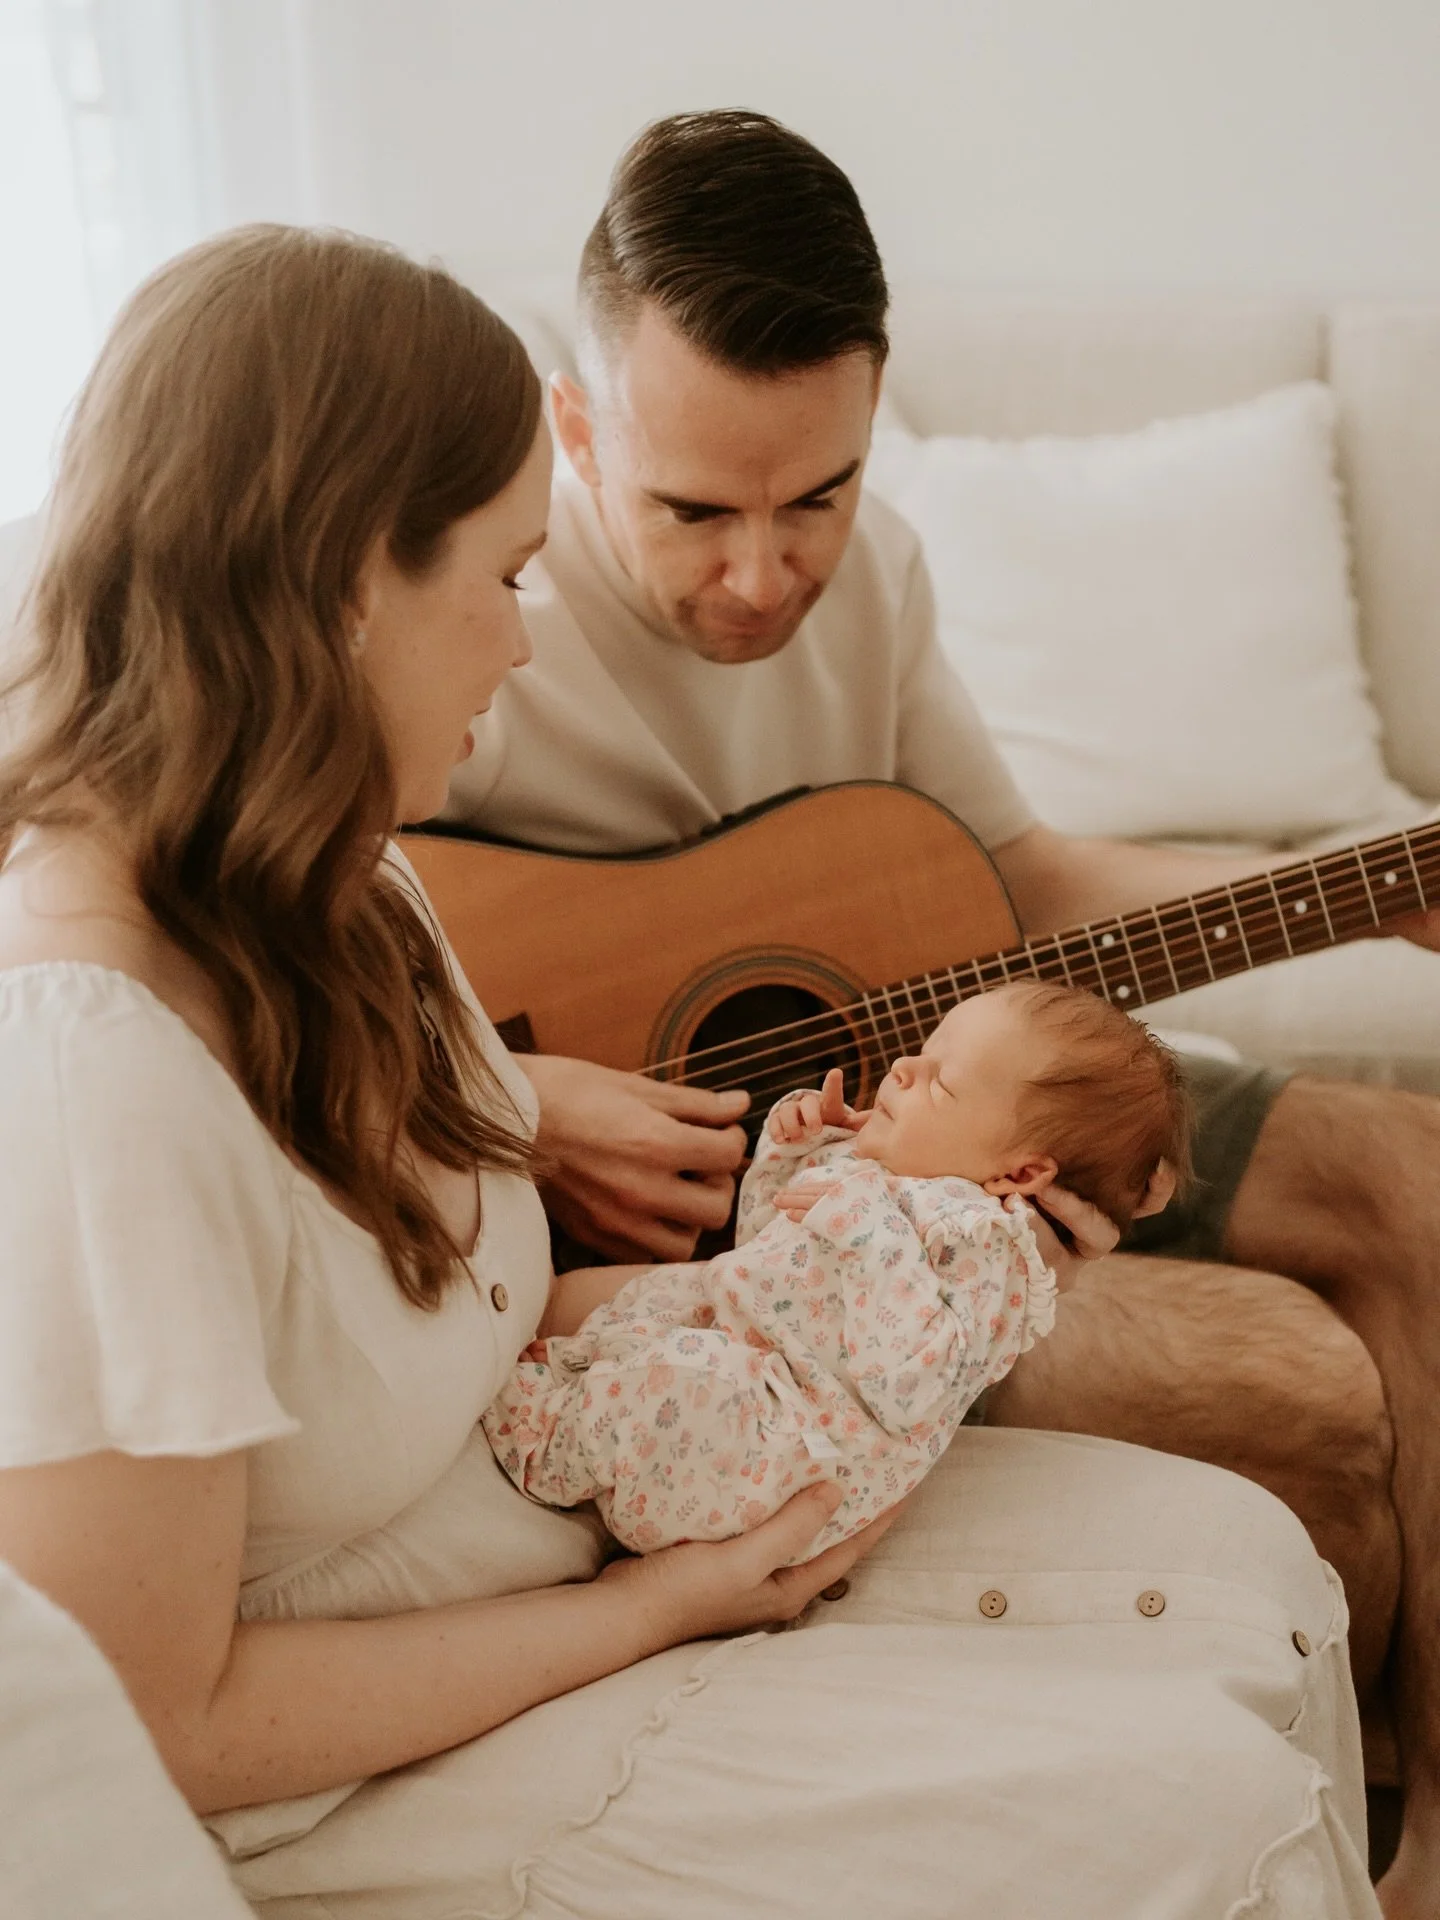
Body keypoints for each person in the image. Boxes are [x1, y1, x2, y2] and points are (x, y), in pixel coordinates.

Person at [0, 223, 1378, 1920]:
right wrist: (669, 1607)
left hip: (584, 1511)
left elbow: (420, 1268)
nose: (521, 653)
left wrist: (903, 1267)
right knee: (1208, 1809)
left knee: (1253, 1568)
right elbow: (161, 1724)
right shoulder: (87, 1077)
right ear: (352, 578)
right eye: (504, 580)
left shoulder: (347, 881)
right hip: (355, 1771)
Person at [441, 110, 1440, 1913]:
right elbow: (280, 936)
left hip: (963, 1082)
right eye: (695, 511)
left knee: (1419, 1179)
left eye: (814, 496)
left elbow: (1023, 882)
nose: (763, 576)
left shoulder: (879, 574)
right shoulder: (477, 629)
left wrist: (1376, 883)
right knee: (1305, 1387)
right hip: (802, 1248)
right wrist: (530, 1107)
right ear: (581, 429)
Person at [485, 985, 1189, 1557]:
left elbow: (907, 1381)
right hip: (755, 1360)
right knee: (666, 1303)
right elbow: (765, 1252)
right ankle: (577, 1387)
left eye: (940, 1087)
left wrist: (862, 1218)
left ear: (1023, 1171)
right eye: (920, 1053)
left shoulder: (986, 1251)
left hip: (787, 1452)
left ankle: (548, 1441)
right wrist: (793, 1157)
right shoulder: (894, 1176)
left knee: (690, 1378)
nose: (903, 1070)